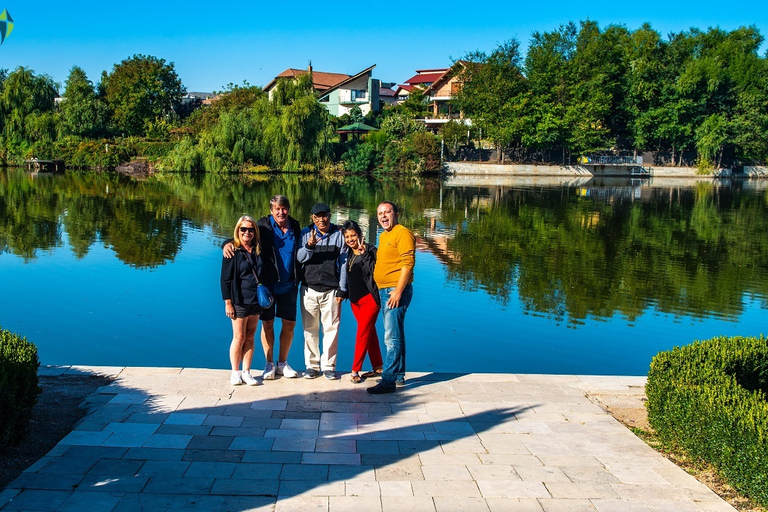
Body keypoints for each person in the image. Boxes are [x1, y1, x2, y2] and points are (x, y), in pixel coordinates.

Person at [223, 195, 301, 380]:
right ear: (271, 210)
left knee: (289, 324)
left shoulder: (296, 226)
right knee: (268, 324)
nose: (281, 212)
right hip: (268, 286)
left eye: (284, 208)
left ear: (288, 209)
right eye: (277, 209)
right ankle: (269, 364)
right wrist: (225, 243)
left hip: (289, 284)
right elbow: (243, 233)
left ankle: (282, 363)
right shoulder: (264, 226)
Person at [297, 203, 349, 380]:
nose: (321, 220)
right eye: (317, 217)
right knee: (309, 329)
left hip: (332, 290)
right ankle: (311, 366)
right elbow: (299, 258)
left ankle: (328, 366)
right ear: (312, 218)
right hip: (308, 288)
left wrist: (342, 288)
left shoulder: (339, 234)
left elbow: (343, 263)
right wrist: (309, 246)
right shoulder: (305, 234)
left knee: (331, 329)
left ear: (330, 215)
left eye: (324, 216)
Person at [367, 201, 415, 395]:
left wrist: (397, 291)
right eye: (380, 214)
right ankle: (398, 374)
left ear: (396, 214)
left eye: (387, 212)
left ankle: (388, 381)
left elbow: (408, 262)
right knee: (396, 334)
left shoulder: (402, 233)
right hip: (386, 290)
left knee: (391, 337)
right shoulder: (386, 234)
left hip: (394, 291)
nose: (383, 216)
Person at [220, 216, 264, 386]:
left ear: (255, 232)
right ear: (238, 231)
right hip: (239, 300)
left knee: (250, 336)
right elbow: (225, 280)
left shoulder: (259, 249)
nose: (247, 232)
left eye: (250, 229)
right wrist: (228, 303)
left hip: (256, 300)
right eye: (243, 229)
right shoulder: (232, 251)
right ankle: (235, 372)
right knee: (239, 336)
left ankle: (247, 372)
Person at [341, 220, 383, 384]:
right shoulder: (349, 252)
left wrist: (364, 254)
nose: (350, 239)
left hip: (370, 301)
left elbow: (373, 272)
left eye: (353, 235)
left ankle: (355, 370)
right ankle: (378, 366)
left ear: (359, 235)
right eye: (347, 236)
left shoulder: (371, 250)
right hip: (355, 301)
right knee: (370, 333)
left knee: (362, 334)